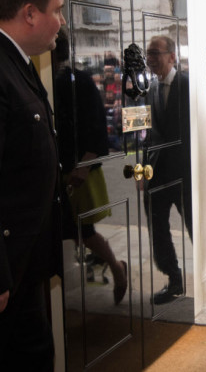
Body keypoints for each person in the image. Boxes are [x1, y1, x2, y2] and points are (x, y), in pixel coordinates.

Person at [0, 0, 66, 369]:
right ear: (29, 13)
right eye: (56, 10)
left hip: (26, 258)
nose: (60, 21)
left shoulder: (19, 62)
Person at [53, 27, 128, 306]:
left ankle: (118, 270)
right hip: (59, 169)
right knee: (71, 230)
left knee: (81, 230)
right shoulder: (44, 78)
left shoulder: (79, 81)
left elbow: (96, 129)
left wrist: (84, 166)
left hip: (78, 169)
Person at [144, 35, 192, 305]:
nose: (151, 59)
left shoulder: (187, 85)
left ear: (172, 57)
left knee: (193, 227)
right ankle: (174, 280)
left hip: (184, 175)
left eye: (155, 53)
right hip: (157, 174)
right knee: (158, 229)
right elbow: (148, 135)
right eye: (149, 54)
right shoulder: (150, 88)